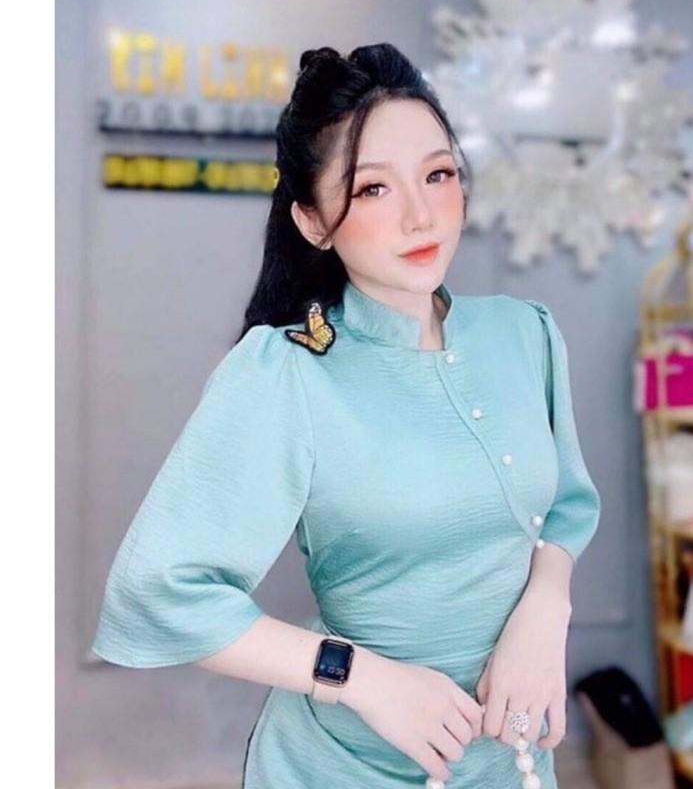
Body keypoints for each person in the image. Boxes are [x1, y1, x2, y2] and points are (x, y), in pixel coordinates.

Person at [91, 43, 602, 789]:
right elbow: (157, 592)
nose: (420, 215)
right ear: (312, 220)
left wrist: (547, 608)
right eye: (372, 189)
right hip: (344, 767)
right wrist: (361, 677)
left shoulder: (525, 333)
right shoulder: (287, 371)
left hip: (512, 762)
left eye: (438, 174)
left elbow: (563, 509)